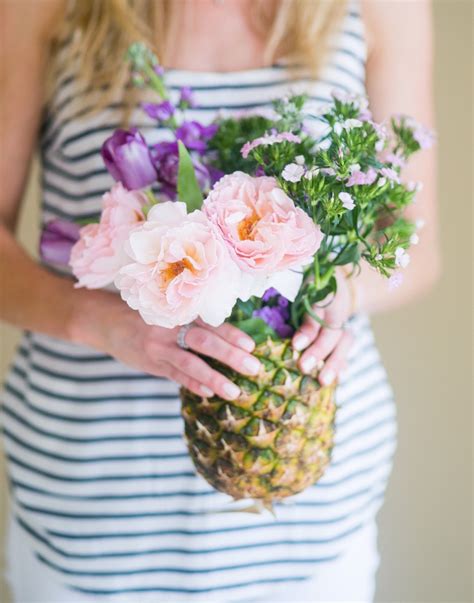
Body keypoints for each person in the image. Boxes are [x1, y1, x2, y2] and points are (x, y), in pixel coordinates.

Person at [0, 0, 439, 601]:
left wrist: (343, 289)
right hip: (91, 515)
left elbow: (416, 243)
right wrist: (102, 324)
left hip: (312, 525)